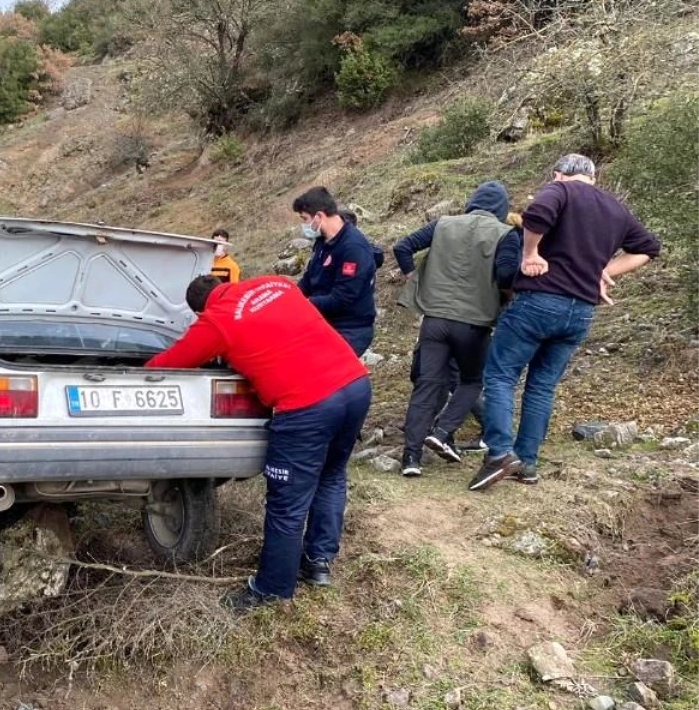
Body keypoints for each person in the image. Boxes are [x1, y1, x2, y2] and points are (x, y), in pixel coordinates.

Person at [146, 275, 372, 611]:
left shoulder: (216, 319)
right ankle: (318, 562)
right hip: (355, 384)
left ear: (199, 310)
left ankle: (272, 589)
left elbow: (173, 362)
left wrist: (138, 371)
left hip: (307, 405)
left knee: (287, 505)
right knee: (331, 475)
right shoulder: (277, 284)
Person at [469, 154, 662, 491]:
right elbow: (648, 248)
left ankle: (500, 453)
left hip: (539, 301)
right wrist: (604, 271)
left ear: (559, 174)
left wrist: (530, 254)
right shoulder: (616, 209)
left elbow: (537, 215)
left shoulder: (561, 190)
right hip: (581, 312)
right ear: (593, 176)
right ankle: (527, 463)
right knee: (542, 385)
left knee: (500, 375)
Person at [394, 182, 520, 476]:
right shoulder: (505, 233)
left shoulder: (443, 224)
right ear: (501, 210)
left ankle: (410, 459)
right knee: (472, 381)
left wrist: (412, 276)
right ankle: (442, 432)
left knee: (427, 384)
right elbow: (505, 276)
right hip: (474, 325)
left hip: (434, 319)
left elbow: (403, 246)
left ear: (472, 202)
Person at [294, 187, 378, 356]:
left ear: (319, 216)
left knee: (325, 373)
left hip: (350, 329)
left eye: (305, 219)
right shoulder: (322, 242)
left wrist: (305, 305)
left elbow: (343, 297)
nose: (304, 226)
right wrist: (291, 297)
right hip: (324, 322)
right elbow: (309, 279)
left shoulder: (353, 247)